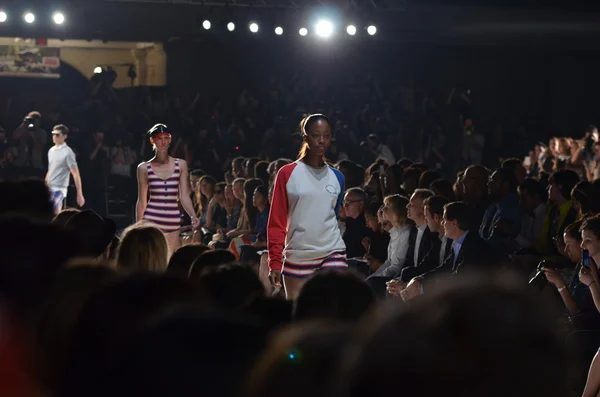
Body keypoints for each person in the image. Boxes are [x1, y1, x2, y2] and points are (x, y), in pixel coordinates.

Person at [268, 114, 346, 300]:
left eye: (326, 135)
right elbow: (276, 221)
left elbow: (332, 215)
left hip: (332, 251)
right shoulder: (287, 173)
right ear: (305, 137)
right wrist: (275, 262)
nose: (322, 140)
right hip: (298, 253)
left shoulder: (338, 177)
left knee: (334, 309)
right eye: (316, 135)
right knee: (299, 312)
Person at [136, 124, 199, 253]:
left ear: (170, 140)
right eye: (159, 138)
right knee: (154, 258)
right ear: (152, 140)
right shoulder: (143, 168)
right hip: (152, 219)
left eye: (166, 137)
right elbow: (142, 200)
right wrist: (138, 226)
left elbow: (184, 195)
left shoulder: (181, 165)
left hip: (172, 219)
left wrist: (193, 215)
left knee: (171, 258)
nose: (163, 141)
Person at [46, 124, 85, 213]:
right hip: (49, 187)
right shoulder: (51, 151)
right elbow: (50, 169)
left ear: (64, 136)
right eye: (53, 134)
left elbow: (75, 173)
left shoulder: (68, 152)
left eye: (57, 135)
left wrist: (79, 194)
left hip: (59, 189)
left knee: (55, 212)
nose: (54, 137)